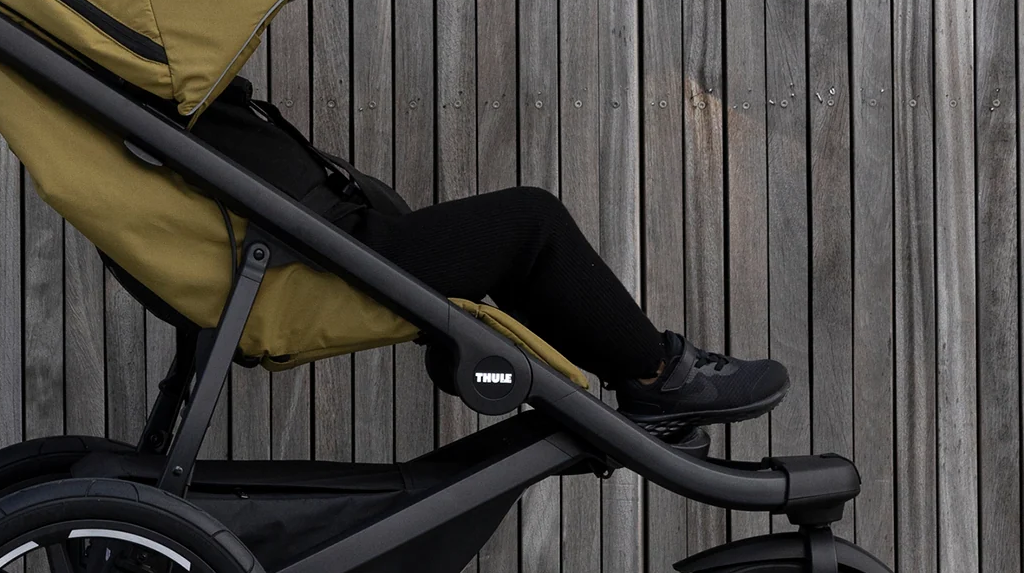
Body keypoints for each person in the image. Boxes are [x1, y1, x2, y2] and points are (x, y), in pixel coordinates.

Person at [189, 79, 788, 425]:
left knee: (507, 243)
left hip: (325, 245)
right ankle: (659, 375)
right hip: (319, 261)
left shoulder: (178, 103)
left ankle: (641, 372)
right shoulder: (173, 94)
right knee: (530, 221)